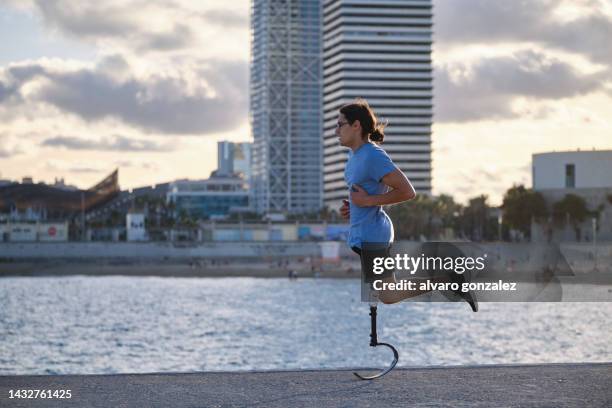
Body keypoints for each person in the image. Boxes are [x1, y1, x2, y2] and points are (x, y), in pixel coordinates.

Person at [336, 99, 477, 311]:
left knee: (389, 295)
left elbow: (407, 191)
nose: (335, 130)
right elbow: (368, 192)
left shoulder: (372, 155)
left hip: (372, 235)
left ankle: (448, 279)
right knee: (388, 294)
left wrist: (367, 201)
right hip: (364, 234)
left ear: (356, 126)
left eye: (340, 124)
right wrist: (353, 207)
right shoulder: (354, 155)